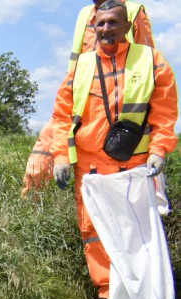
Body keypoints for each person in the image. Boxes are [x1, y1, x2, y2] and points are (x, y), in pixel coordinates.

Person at [49, 0, 177, 299]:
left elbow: (165, 113)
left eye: (113, 23)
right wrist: (60, 156)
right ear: (94, 27)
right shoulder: (81, 67)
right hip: (90, 169)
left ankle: (145, 297)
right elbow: (61, 116)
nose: (106, 29)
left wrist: (159, 150)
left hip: (133, 167)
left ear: (127, 27)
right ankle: (108, 296)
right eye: (101, 23)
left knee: (137, 235)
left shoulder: (150, 61)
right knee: (95, 233)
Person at [23, 0, 154, 195]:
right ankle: (32, 200)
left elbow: (148, 61)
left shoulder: (134, 11)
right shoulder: (85, 13)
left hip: (116, 101)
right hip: (80, 95)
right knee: (48, 142)